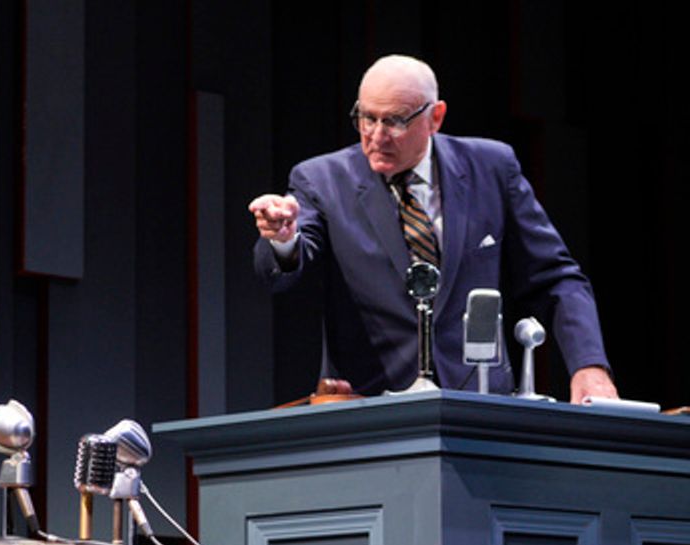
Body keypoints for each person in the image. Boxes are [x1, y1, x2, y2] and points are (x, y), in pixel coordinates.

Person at [249, 54, 618, 402]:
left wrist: (590, 366)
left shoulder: (491, 168)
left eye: (394, 120)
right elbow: (284, 270)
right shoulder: (321, 179)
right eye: (366, 118)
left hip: (480, 405)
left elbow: (556, 277)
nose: (376, 136)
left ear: (435, 117)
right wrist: (284, 240)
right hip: (374, 408)